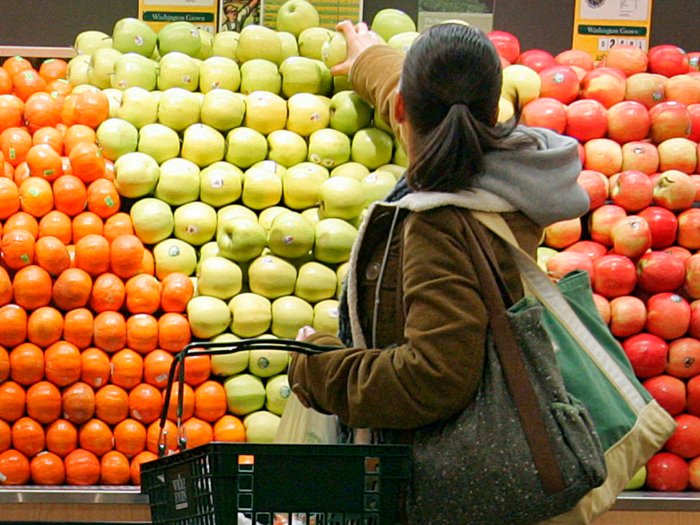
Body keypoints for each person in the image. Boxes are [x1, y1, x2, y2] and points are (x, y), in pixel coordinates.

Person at [288, 19, 590, 522]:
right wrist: (370, 59)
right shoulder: (516, 169)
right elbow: (428, 106)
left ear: (403, 109)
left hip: (441, 494)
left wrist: (316, 367)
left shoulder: (439, 223)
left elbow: (434, 377)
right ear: (494, 111)